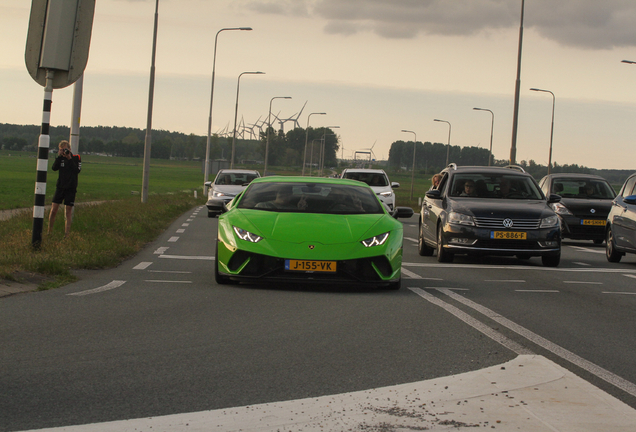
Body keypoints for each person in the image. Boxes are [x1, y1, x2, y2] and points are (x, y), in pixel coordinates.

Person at [48, 140, 81, 236]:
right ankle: (49, 231)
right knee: (53, 210)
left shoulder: (76, 158)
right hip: (60, 187)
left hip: (71, 188)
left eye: (65, 149)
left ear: (70, 149)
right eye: (62, 150)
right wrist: (59, 156)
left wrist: (69, 158)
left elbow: (77, 170)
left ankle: (67, 234)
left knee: (68, 211)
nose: (64, 152)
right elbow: (54, 168)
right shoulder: (60, 159)